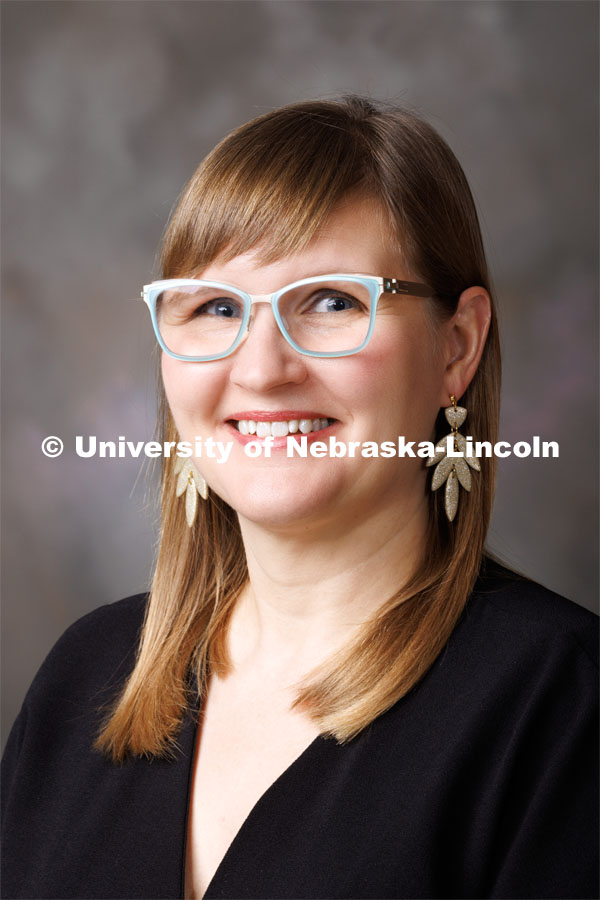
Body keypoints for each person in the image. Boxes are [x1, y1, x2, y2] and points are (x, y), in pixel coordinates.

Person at [1, 96, 597, 900]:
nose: (261, 370)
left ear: (456, 348)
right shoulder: (86, 674)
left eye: (331, 302)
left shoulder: (563, 702)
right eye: (215, 308)